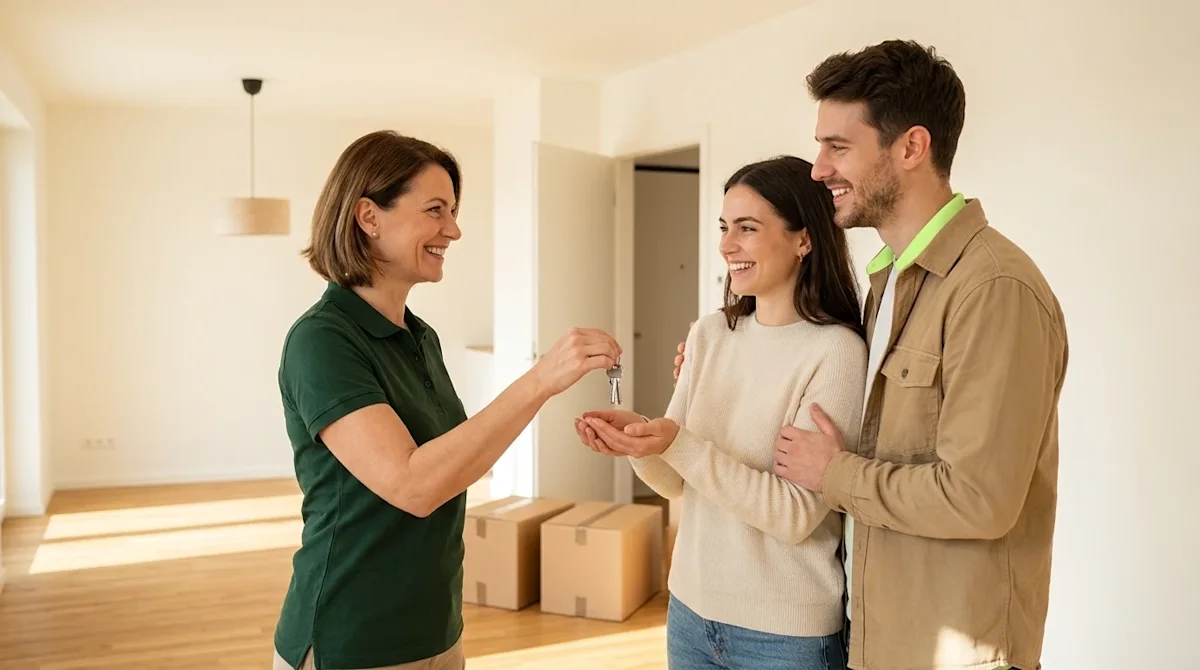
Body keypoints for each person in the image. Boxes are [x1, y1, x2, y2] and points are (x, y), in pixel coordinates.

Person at [675, 41, 1068, 670]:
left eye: (838, 146)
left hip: (951, 648)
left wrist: (835, 473)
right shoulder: (889, 285)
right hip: (874, 633)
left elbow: (980, 498)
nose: (817, 168)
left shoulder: (994, 289)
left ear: (911, 148)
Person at [271, 130, 622, 670]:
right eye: (435, 210)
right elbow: (414, 486)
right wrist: (541, 380)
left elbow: (455, 462)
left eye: (453, 211)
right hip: (353, 637)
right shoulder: (323, 340)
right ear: (369, 216)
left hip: (435, 629)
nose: (453, 230)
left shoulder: (419, 335)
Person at [577, 155, 867, 670]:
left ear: (804, 239)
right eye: (724, 227)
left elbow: (795, 514)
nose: (726, 245)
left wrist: (675, 441)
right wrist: (641, 442)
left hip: (786, 635)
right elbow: (674, 482)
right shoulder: (710, 334)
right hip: (690, 610)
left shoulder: (836, 352)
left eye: (748, 228)